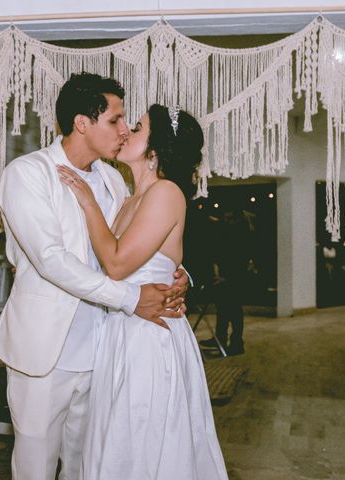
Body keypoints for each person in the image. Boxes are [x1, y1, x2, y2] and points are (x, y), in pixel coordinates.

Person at [0, 73, 190, 480]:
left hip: (106, 349)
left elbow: (139, 243)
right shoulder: (27, 173)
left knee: (90, 466)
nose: (123, 129)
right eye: (115, 120)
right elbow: (51, 260)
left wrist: (179, 273)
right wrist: (132, 299)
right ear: (83, 123)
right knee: (35, 466)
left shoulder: (115, 180)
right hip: (46, 351)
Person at [58, 104, 228, 479]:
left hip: (150, 338)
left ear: (154, 152)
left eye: (135, 128)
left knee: (144, 436)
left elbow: (117, 264)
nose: (125, 132)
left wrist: (87, 203)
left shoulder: (166, 192)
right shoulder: (130, 196)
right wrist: (179, 271)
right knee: (117, 437)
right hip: (120, 329)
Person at [199, 209, 249, 356]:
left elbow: (241, 259)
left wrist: (228, 278)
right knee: (223, 309)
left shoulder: (241, 235)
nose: (227, 222)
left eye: (229, 219)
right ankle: (220, 339)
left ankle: (236, 343)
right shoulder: (231, 232)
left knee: (234, 312)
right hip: (225, 276)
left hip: (233, 279)